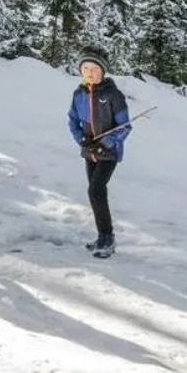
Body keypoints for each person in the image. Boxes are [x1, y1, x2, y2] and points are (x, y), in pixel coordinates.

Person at [66, 47, 133, 258]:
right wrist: (82, 140)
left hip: (109, 153)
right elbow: (72, 121)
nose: (90, 72)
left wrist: (106, 142)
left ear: (103, 71)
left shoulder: (113, 95)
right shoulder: (78, 95)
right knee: (97, 194)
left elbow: (125, 126)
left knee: (95, 190)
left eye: (94, 68)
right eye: (85, 68)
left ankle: (108, 238)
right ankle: (102, 237)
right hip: (90, 152)